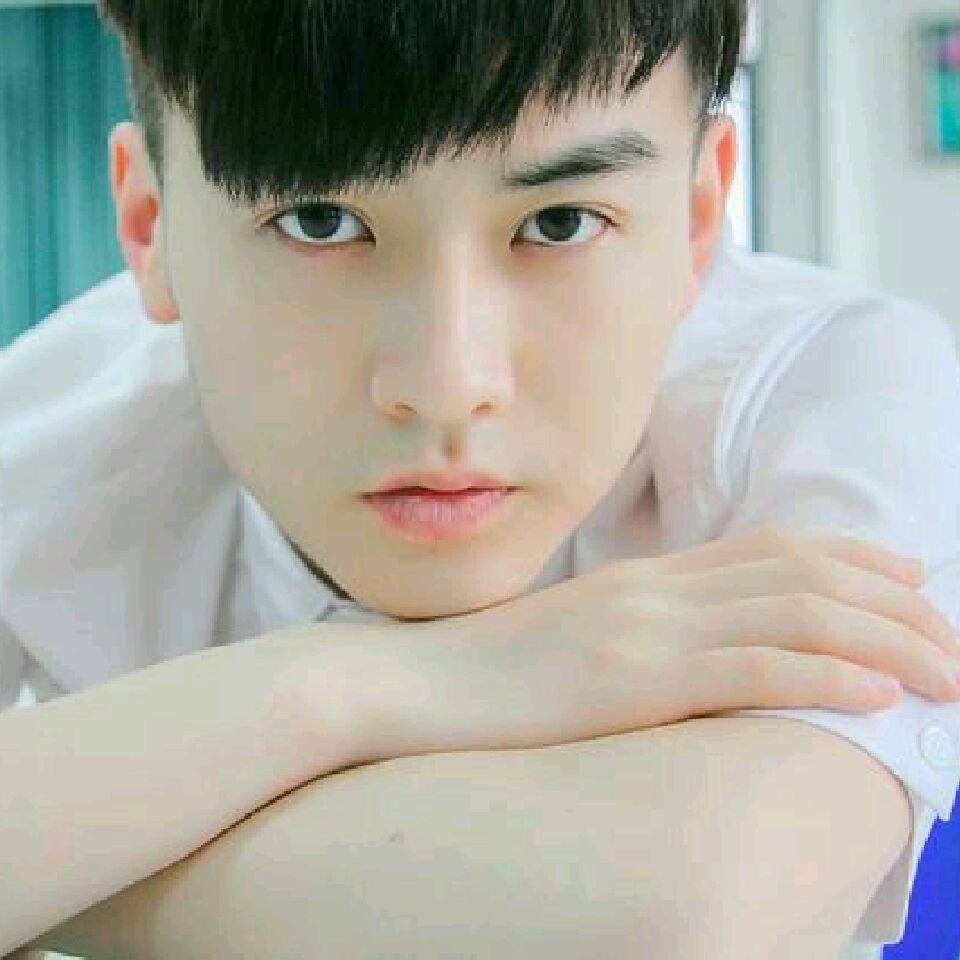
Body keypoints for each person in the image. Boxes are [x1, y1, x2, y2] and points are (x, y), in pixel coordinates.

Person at [2, 1, 959, 957]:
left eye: (560, 222)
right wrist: (390, 680)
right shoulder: (50, 434)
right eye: (319, 220)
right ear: (150, 226)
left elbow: (679, 920)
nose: (447, 385)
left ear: (700, 214)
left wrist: (61, 866)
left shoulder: (844, 388)